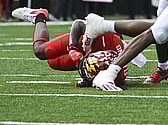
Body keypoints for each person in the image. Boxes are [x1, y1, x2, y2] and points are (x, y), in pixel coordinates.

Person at [11, 7, 151, 88]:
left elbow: (115, 81)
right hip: (81, 41)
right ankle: (39, 16)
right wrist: (73, 48)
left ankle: (86, 68)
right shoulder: (106, 39)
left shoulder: (118, 76)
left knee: (53, 63)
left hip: (89, 57)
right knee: (40, 51)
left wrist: (88, 78)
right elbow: (78, 24)